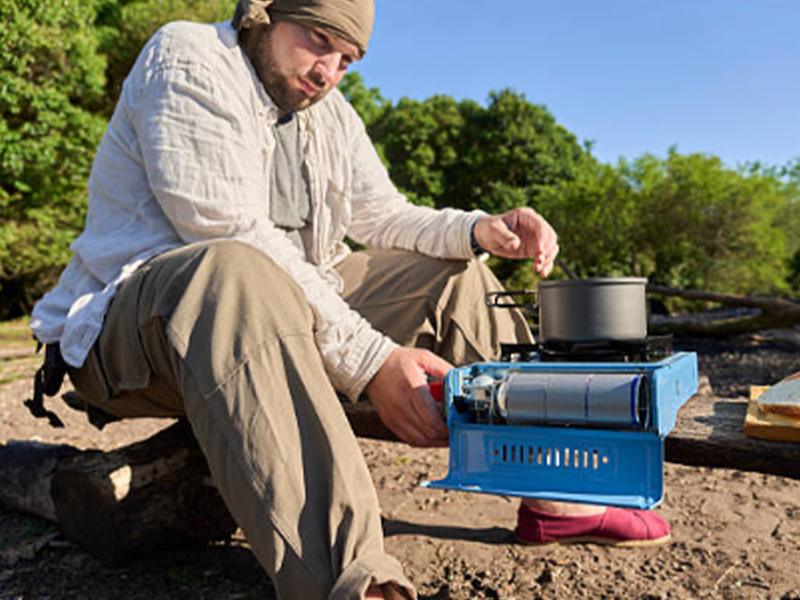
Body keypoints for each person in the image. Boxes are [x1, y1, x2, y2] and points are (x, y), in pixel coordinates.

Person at [28, 1, 669, 598]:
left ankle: (554, 491)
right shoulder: (190, 57)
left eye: (347, 59)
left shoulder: (328, 114)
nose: (329, 70)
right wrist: (371, 362)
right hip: (134, 330)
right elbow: (227, 231)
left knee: (452, 273)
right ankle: (353, 581)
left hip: (282, 312)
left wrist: (475, 229)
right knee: (235, 270)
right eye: (319, 42)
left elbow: (382, 213)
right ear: (264, 14)